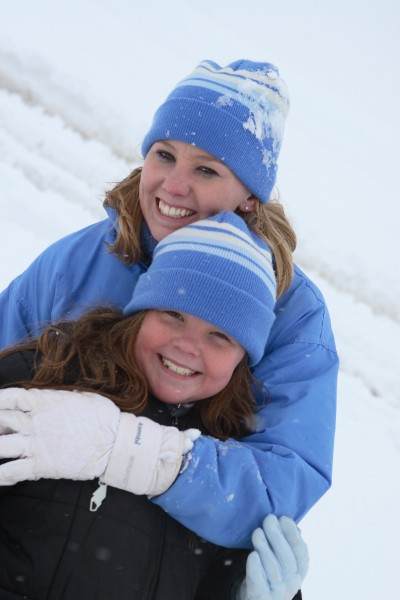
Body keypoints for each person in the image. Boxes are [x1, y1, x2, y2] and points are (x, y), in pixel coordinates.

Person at [0, 59, 338, 549]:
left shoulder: (292, 313)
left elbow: (281, 483)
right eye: (163, 155)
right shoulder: (80, 260)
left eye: (205, 169)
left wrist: (137, 455)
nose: (173, 187)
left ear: (249, 196)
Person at [0, 213, 308, 600]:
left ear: (241, 359)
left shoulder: (232, 470)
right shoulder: (43, 377)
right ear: (141, 312)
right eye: (173, 314)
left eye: (220, 336)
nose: (187, 346)